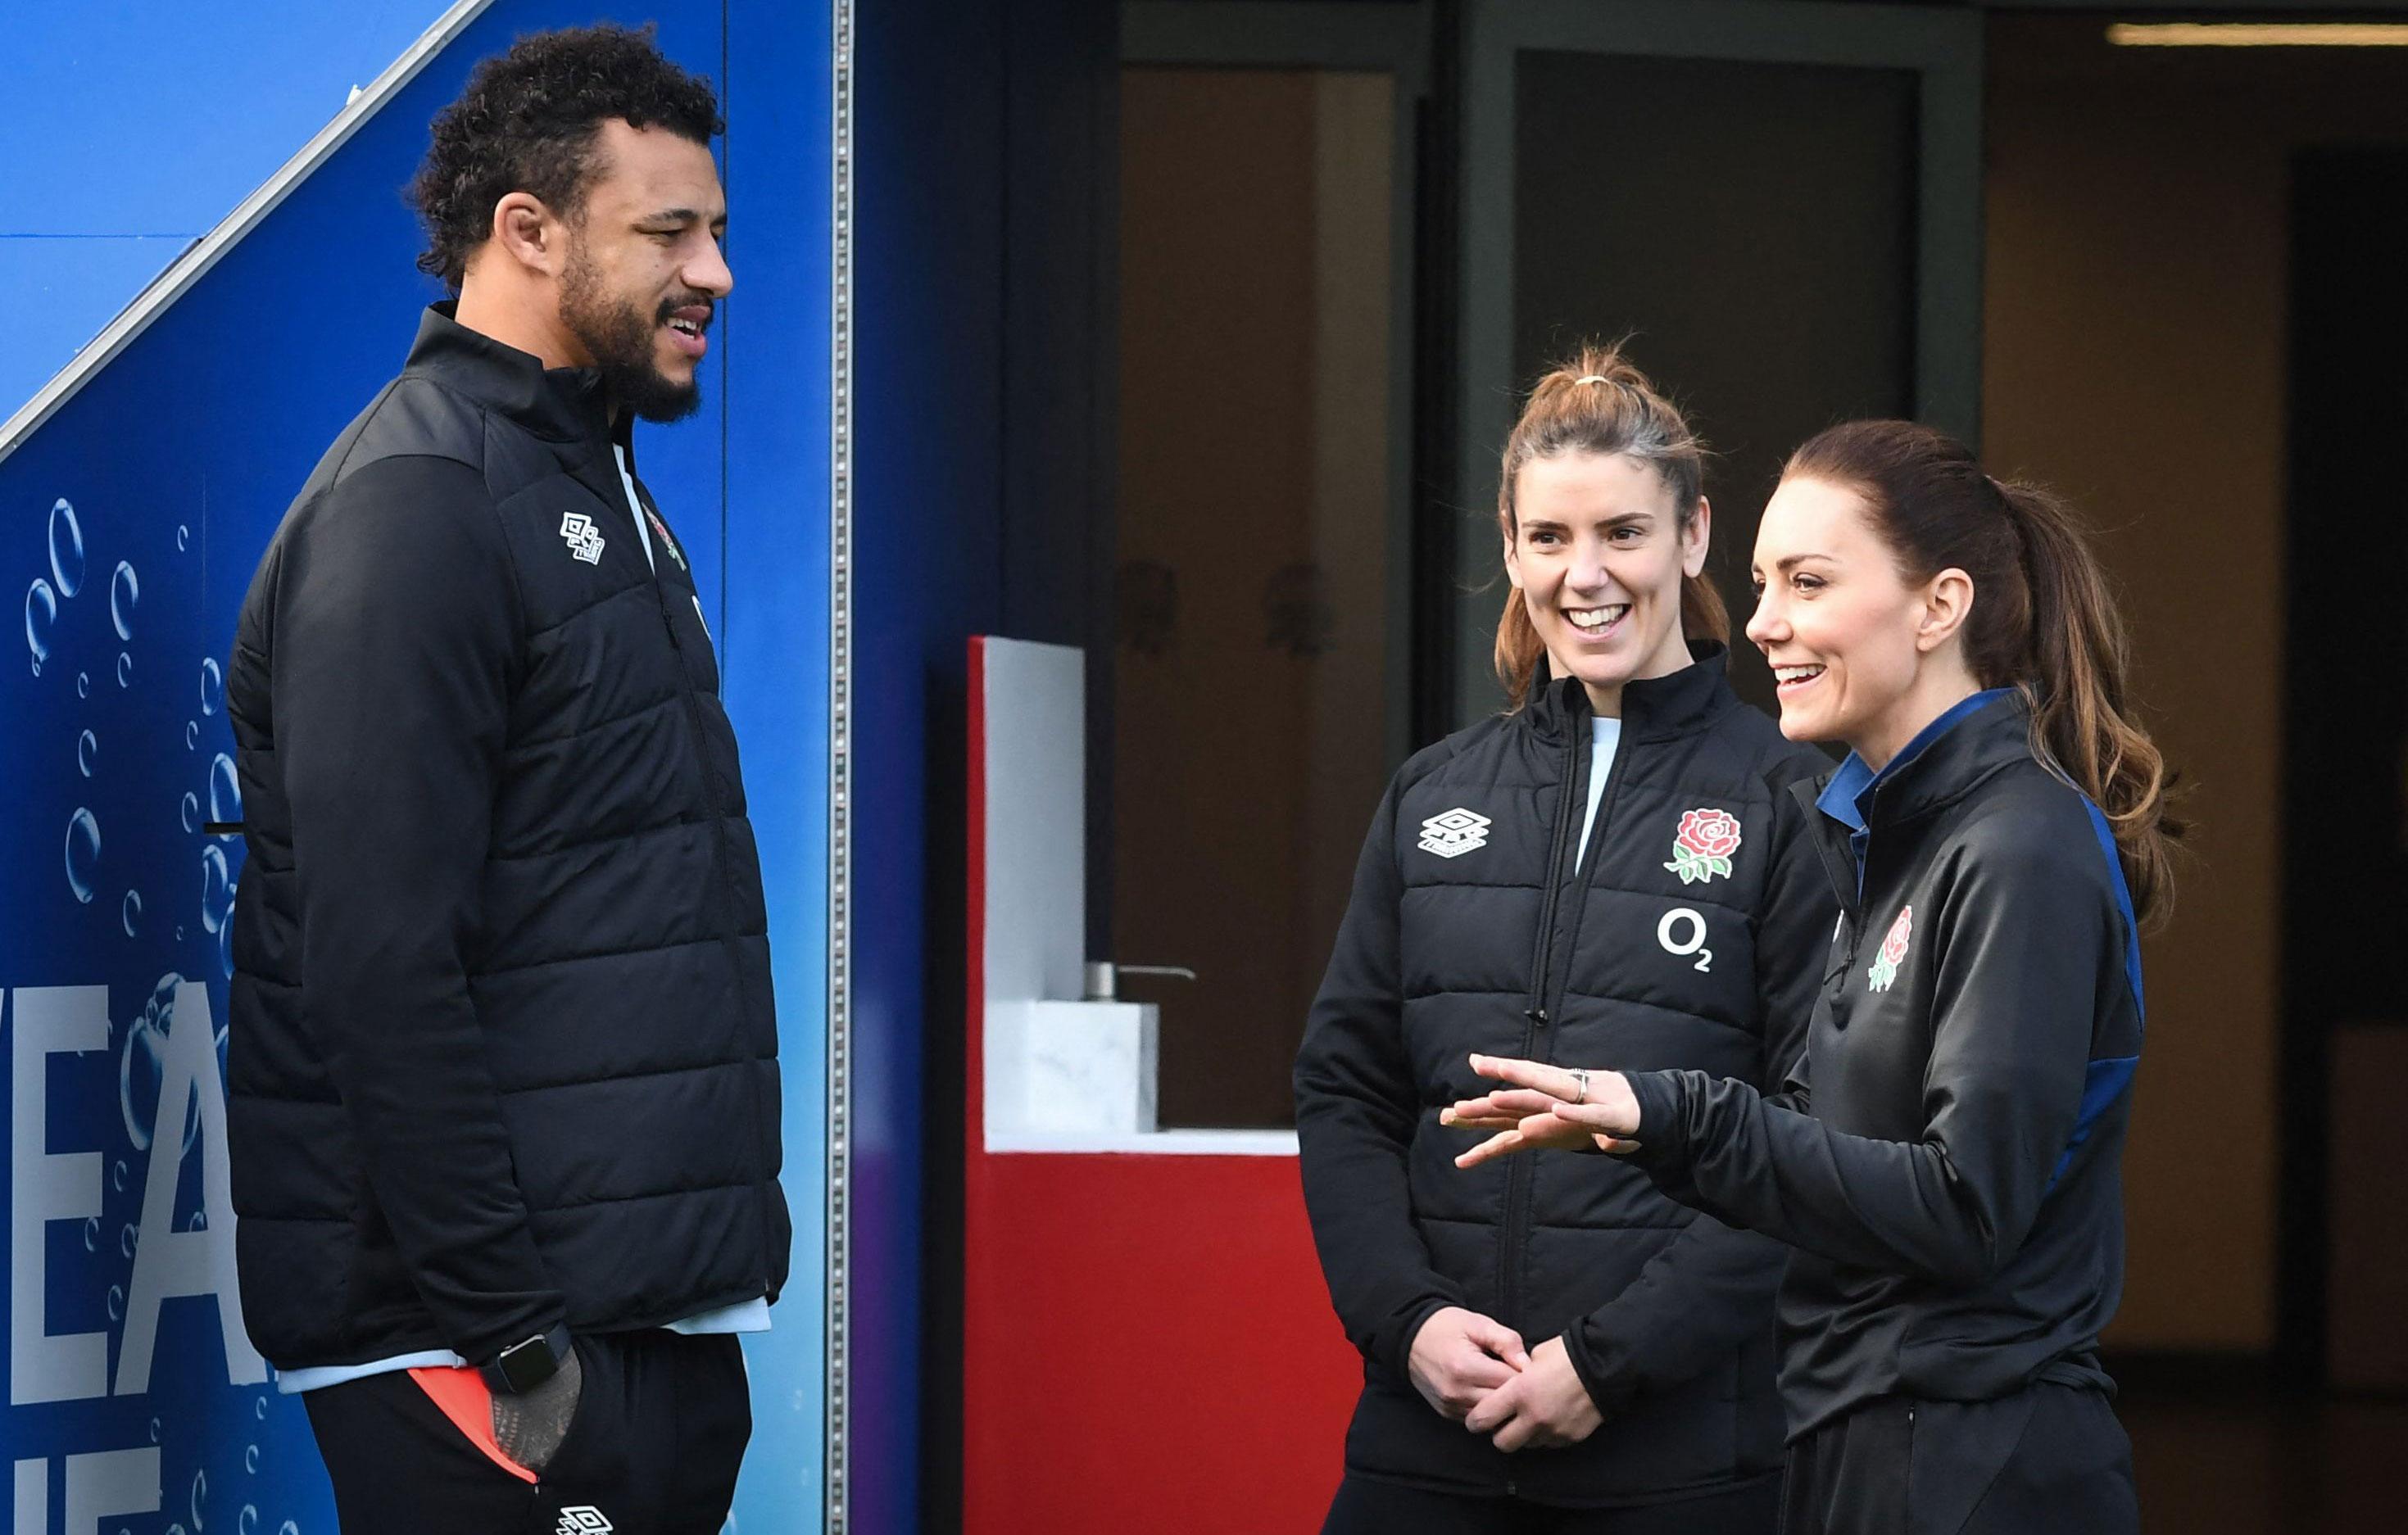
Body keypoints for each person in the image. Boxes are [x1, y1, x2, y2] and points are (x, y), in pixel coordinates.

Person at [224, 26, 784, 1534]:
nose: (714, 272)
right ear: (526, 233)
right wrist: (520, 1341)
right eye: (668, 231)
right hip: (492, 1365)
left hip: (631, 1340)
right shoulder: (415, 507)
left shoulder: (584, 482)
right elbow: (380, 966)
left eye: (717, 230)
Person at [1451, 419, 2180, 1534]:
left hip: (1980, 1461)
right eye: (1760, 582)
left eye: (1808, 581)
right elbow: (1818, 1146)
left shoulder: (2020, 844)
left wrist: (1680, 1116)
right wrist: (1639, 1120)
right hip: (1858, 1448)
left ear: (1939, 607)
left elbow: (1962, 1204)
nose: (1763, 623)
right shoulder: (1879, 833)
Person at [1294, 347, 1838, 1534]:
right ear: (1509, 548)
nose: (1584, 575)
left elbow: (1812, 1140)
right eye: (1548, 538)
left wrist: (1608, 1360)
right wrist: (1410, 1324)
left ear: (1694, 538)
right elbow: (1344, 1092)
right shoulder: (1429, 795)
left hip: (1679, 1457)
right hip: (1423, 1447)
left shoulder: (1791, 800)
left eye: (1622, 534)